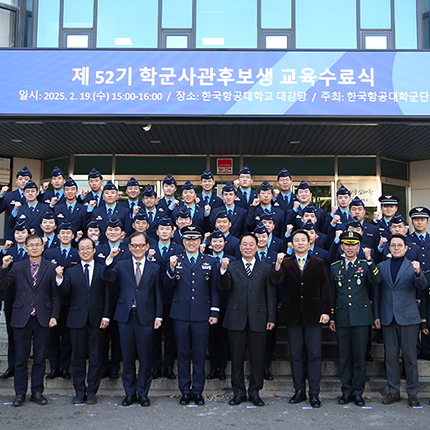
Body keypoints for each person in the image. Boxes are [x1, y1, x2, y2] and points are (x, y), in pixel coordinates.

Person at [272, 230, 331, 408]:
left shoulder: (319, 263)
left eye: (303, 240)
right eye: (296, 240)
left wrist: (326, 311)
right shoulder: (286, 262)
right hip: (292, 314)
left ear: (309, 242)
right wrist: (277, 265)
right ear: (292, 243)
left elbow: (326, 288)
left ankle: (314, 393)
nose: (300, 243)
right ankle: (299, 390)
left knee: (314, 354)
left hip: (313, 314)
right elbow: (276, 281)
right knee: (296, 355)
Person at [103, 231, 163, 407]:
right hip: (125, 317)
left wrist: (158, 315)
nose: (137, 248)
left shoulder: (155, 267)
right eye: (134, 245)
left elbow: (157, 294)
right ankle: (129, 393)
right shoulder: (121, 265)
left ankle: (143, 393)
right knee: (127, 357)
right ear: (129, 247)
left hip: (146, 317)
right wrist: (109, 258)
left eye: (141, 245)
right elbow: (106, 277)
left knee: (145, 358)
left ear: (147, 247)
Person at [0, 234, 60, 407]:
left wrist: (54, 316)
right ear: (25, 248)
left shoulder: (50, 267)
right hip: (21, 317)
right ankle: (19, 393)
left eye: (37, 245)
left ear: (43, 247)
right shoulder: (17, 267)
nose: (34, 248)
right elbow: (3, 285)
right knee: (20, 358)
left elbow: (55, 295)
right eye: (30, 245)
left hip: (43, 317)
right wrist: (3, 267)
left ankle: (37, 391)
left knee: (40, 358)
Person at [220, 232, 276, 407]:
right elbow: (224, 287)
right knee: (236, 358)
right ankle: (238, 392)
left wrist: (271, 317)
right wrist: (222, 271)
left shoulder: (266, 268)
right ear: (240, 247)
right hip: (236, 318)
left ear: (257, 246)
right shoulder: (232, 266)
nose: (248, 247)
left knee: (257, 358)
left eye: (251, 244)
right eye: (244, 244)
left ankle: (255, 392)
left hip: (259, 318)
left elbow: (271, 296)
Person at [166, 225, 219, 406]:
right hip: (180, 314)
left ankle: (197, 391)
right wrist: (171, 270)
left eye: (194, 239)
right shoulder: (175, 260)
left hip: (201, 314)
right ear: (183, 241)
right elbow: (166, 286)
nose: (191, 242)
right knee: (182, 354)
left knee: (198, 354)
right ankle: (185, 391)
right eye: (188, 239)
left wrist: (214, 312)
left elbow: (214, 290)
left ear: (200, 241)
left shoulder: (210, 261)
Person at [55, 237, 111, 404]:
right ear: (78, 252)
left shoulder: (102, 269)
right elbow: (63, 292)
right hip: (76, 320)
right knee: (78, 357)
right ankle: (79, 391)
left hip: (97, 320)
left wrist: (106, 316)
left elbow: (107, 295)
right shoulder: (71, 271)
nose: (85, 251)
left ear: (94, 250)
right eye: (82, 249)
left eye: (88, 248)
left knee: (96, 358)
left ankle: (92, 391)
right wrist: (59, 278)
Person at [374, 234, 427, 407]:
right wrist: (377, 315)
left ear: (405, 248)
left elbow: (422, 286)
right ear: (389, 248)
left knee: (410, 357)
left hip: (409, 317)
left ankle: (412, 392)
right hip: (388, 317)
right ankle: (393, 391)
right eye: (393, 245)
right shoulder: (382, 267)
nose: (396, 248)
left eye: (399, 245)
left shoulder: (412, 266)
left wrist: (419, 273)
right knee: (390, 356)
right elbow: (377, 294)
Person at [329, 231, 381, 406]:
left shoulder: (365, 264)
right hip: (342, 316)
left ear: (358, 247)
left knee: (359, 357)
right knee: (344, 357)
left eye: (353, 244)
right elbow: (333, 293)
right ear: (342, 246)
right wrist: (332, 317)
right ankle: (346, 391)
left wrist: (369, 259)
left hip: (361, 317)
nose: (350, 248)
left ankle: (358, 392)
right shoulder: (335, 266)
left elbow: (376, 279)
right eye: (347, 244)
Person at [43, 220, 80, 380]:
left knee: (67, 336)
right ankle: (54, 367)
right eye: (62, 233)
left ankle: (64, 367)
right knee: (52, 336)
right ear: (58, 235)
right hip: (52, 301)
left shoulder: (77, 253)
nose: (65, 236)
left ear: (73, 236)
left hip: (70, 301)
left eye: (68, 233)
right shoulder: (49, 253)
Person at [147, 217, 183, 380]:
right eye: (161, 229)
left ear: (173, 231)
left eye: (167, 229)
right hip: (153, 298)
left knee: (170, 335)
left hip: (172, 297)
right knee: (154, 336)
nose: (164, 231)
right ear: (157, 231)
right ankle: (155, 366)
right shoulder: (149, 248)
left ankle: (168, 366)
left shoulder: (179, 249)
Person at [0, 221, 31, 379]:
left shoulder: (32, 250)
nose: (20, 235)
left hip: (29, 298)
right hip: (12, 298)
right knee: (12, 334)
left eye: (22, 232)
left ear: (28, 235)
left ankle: (24, 363)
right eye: (17, 233)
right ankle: (12, 366)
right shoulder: (8, 251)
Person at [205, 229, 235, 381]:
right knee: (212, 338)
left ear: (225, 243)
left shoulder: (232, 260)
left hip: (226, 304)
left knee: (224, 338)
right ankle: (213, 368)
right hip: (208, 304)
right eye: (214, 241)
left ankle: (222, 368)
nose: (217, 244)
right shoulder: (205, 259)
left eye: (220, 241)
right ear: (210, 243)